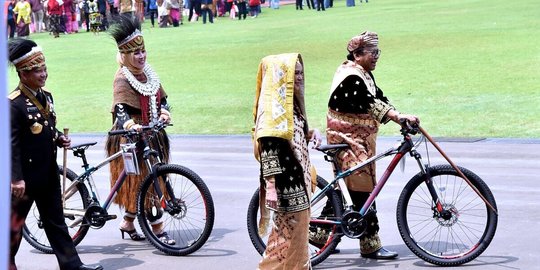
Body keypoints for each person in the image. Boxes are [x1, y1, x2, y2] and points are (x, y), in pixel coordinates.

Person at [8, 38, 103, 270]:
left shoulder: (46, 97)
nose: (43, 74)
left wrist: (59, 137)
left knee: (57, 223)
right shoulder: (13, 104)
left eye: (44, 69)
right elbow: (10, 144)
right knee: (13, 225)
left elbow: (46, 127)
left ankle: (72, 265)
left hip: (48, 172)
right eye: (37, 71)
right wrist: (16, 178)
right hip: (25, 180)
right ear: (23, 74)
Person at [325, 31, 419, 260]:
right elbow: (368, 103)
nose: (377, 56)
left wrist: (399, 115)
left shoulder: (363, 73)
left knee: (349, 189)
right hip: (346, 140)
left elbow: (378, 97)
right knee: (363, 187)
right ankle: (369, 244)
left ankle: (322, 236)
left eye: (378, 52)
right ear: (357, 55)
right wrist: (396, 117)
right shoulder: (351, 76)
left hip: (359, 141)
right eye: (373, 52)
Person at [105, 14, 175, 245]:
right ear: (124, 55)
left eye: (143, 51)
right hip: (131, 138)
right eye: (136, 53)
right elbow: (120, 109)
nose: (141, 56)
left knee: (152, 179)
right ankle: (157, 228)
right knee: (141, 182)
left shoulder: (149, 74)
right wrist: (129, 125)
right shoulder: (122, 78)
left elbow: (162, 98)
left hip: (152, 134)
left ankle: (127, 222)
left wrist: (164, 111)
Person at [253, 53, 322, 270]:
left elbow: (292, 134)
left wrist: (311, 132)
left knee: (293, 235)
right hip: (286, 185)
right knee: (286, 237)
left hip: (298, 183)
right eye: (295, 73)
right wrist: (272, 188)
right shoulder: (274, 112)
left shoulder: (289, 106)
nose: (299, 78)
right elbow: (269, 149)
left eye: (301, 73)